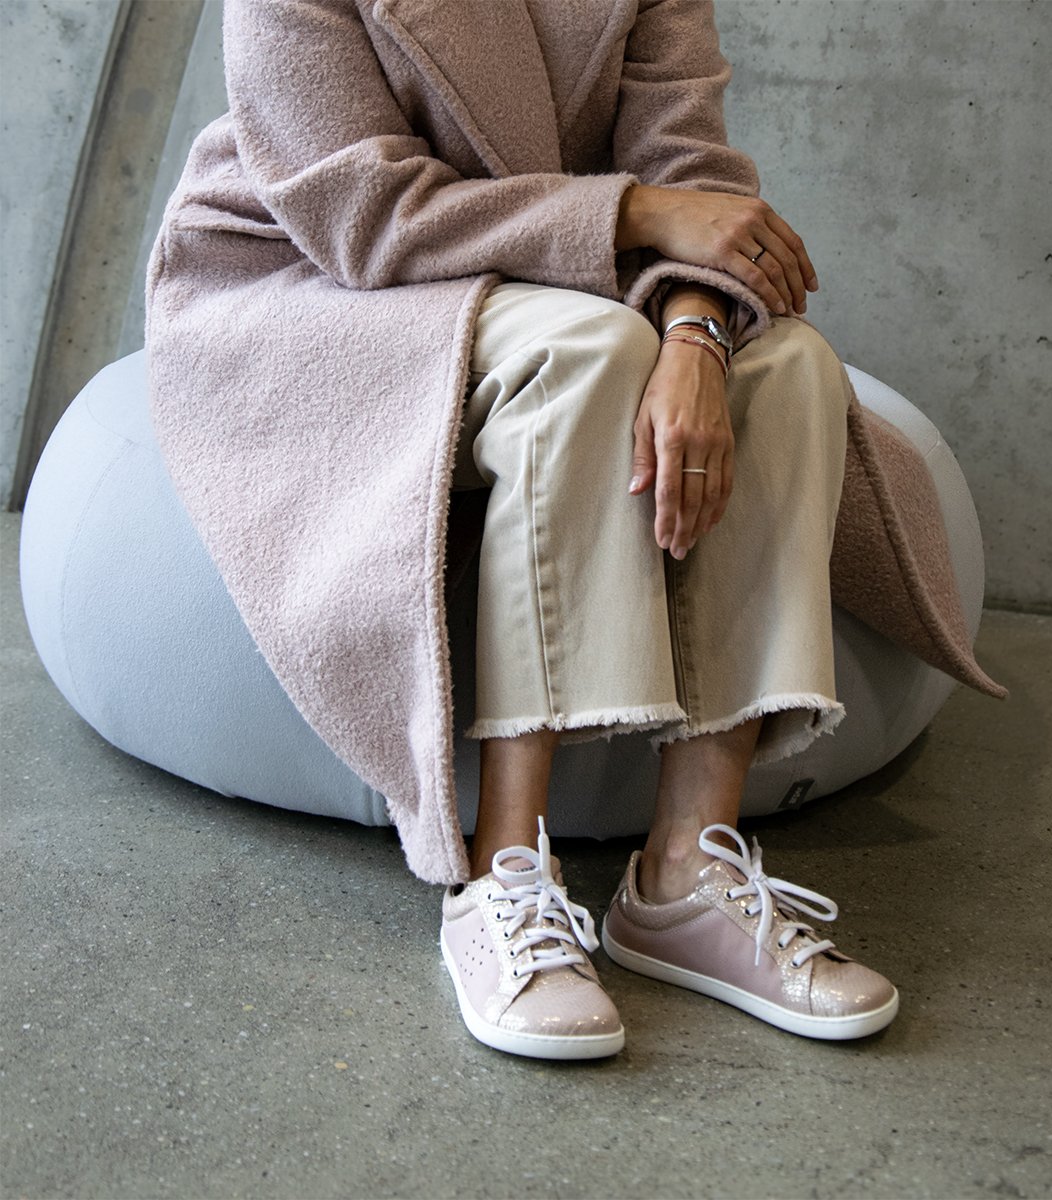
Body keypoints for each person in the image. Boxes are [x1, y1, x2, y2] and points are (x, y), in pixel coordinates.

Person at [146, 0, 1002, 1062]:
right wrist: (638, 212)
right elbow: (365, 215)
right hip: (319, 284)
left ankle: (688, 873)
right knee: (591, 353)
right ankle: (501, 877)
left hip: (556, 268)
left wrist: (696, 335)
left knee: (790, 365)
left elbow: (695, 173)